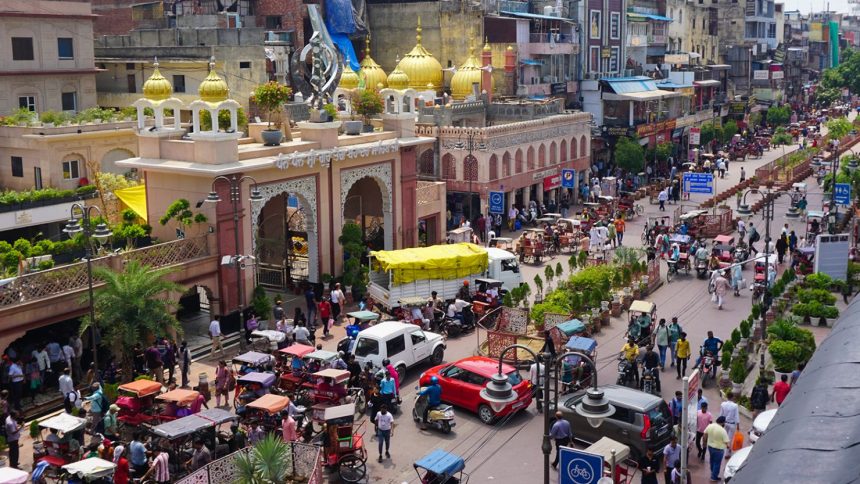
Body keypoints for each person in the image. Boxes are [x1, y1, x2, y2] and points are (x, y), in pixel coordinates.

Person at [703, 416, 730, 481]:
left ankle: (713, 472)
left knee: (712, 460)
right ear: (723, 422)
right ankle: (714, 477)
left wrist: (704, 443)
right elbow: (726, 442)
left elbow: (705, 434)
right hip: (719, 449)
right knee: (717, 463)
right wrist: (729, 447)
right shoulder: (723, 430)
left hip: (710, 447)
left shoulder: (710, 426)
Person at [720, 392, 740, 458]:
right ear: (732, 397)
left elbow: (721, 414)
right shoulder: (735, 406)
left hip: (725, 423)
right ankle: (727, 453)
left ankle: (726, 450)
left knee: (725, 437)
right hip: (732, 424)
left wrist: (720, 423)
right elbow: (736, 416)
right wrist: (738, 426)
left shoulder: (723, 404)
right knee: (730, 438)